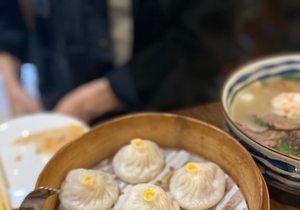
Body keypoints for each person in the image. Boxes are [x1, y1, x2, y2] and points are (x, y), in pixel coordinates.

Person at [0, 0, 238, 123]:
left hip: (169, 97)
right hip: (62, 93)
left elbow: (206, 37)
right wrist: (11, 84)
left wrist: (101, 96)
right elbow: (8, 15)